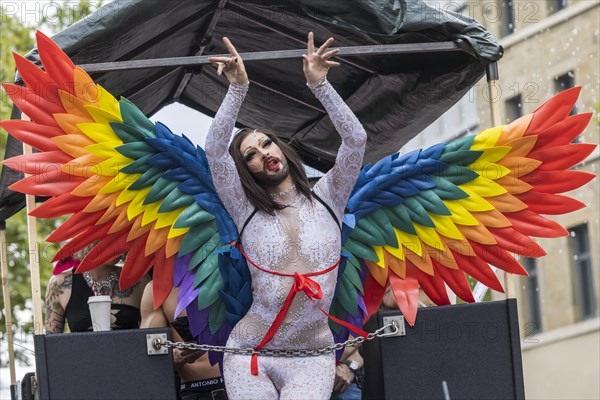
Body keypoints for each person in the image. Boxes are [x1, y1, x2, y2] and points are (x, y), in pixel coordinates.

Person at [205, 32, 367, 399]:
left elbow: (355, 140)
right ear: (246, 169)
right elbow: (214, 151)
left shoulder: (330, 196)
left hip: (313, 357)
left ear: (279, 146)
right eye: (250, 155)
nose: (262, 153)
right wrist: (237, 90)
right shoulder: (243, 207)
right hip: (250, 353)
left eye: (266, 143)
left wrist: (320, 85)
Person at [140, 282, 227, 400]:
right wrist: (176, 355)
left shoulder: (236, 272)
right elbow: (150, 356)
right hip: (194, 389)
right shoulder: (157, 288)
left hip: (241, 381)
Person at [44, 248, 149, 333]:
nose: (116, 244)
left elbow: (152, 337)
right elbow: (50, 345)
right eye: (107, 237)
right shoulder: (59, 284)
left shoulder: (139, 281)